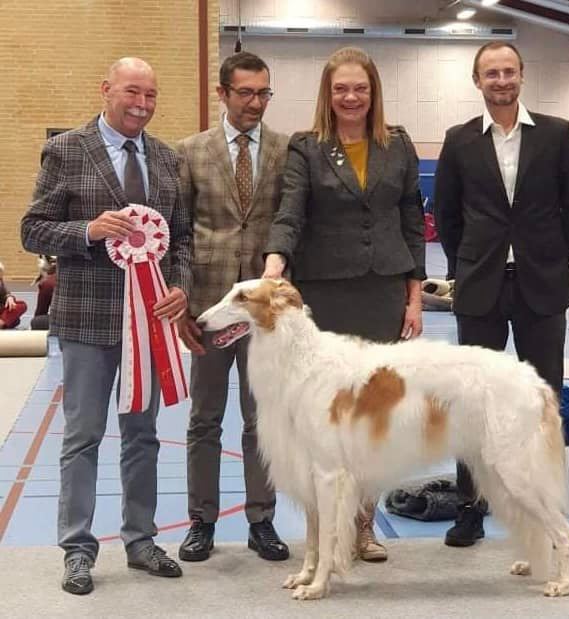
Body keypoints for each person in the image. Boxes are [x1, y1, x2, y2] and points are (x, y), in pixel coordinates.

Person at [21, 57, 191, 595]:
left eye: (151, 95)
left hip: (151, 323)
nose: (142, 103)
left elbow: (181, 237)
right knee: (83, 437)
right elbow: (33, 230)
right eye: (132, 92)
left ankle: (141, 540)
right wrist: (88, 230)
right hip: (86, 320)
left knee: (143, 437)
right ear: (106, 90)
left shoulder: (166, 157)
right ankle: (77, 547)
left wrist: (180, 285)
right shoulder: (66, 150)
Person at [263, 46, 425, 562]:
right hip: (325, 292)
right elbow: (291, 211)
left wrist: (414, 297)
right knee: (326, 422)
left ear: (373, 92)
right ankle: (323, 531)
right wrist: (274, 261)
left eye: (360, 88)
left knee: (374, 416)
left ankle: (362, 527)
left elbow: (411, 223)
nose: (350, 97)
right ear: (327, 95)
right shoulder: (306, 147)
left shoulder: (397, 145)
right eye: (340, 89)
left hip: (382, 289)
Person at [434, 42, 569, 548]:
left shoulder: (557, 133)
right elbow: (449, 215)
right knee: (472, 407)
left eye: (508, 71)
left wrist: (544, 258)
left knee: (544, 404)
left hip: (541, 290)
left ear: (522, 75)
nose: (500, 80)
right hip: (480, 289)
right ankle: (469, 510)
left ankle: (551, 518)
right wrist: (470, 265)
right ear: (476, 80)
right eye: (490, 73)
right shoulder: (458, 141)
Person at [175, 52, 290, 563]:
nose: (256, 103)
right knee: (204, 420)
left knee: (260, 420)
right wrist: (181, 305)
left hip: (264, 316)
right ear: (222, 93)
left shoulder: (288, 151)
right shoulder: (190, 152)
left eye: (264, 93)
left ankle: (261, 520)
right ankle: (201, 521)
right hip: (208, 308)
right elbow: (178, 235)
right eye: (245, 93)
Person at [30, 254, 56, 330]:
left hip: (65, 321)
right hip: (89, 320)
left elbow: (41, 311)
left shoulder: (47, 283)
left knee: (36, 322)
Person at [0, 260, 28, 329]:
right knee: (15, 320)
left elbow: (6, 293)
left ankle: (3, 322)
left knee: (22, 305)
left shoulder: (0, 281)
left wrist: (9, 297)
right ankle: (4, 322)